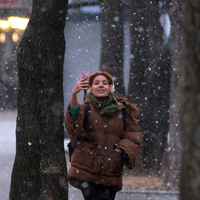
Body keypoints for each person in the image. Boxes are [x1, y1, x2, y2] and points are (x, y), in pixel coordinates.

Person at [65, 71, 142, 200]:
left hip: (111, 172)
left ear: (110, 87)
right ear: (90, 88)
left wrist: (120, 151)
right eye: (96, 83)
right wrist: (74, 94)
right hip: (87, 172)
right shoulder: (85, 108)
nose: (101, 85)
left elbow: (133, 135)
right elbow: (73, 127)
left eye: (104, 83)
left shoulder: (122, 111)